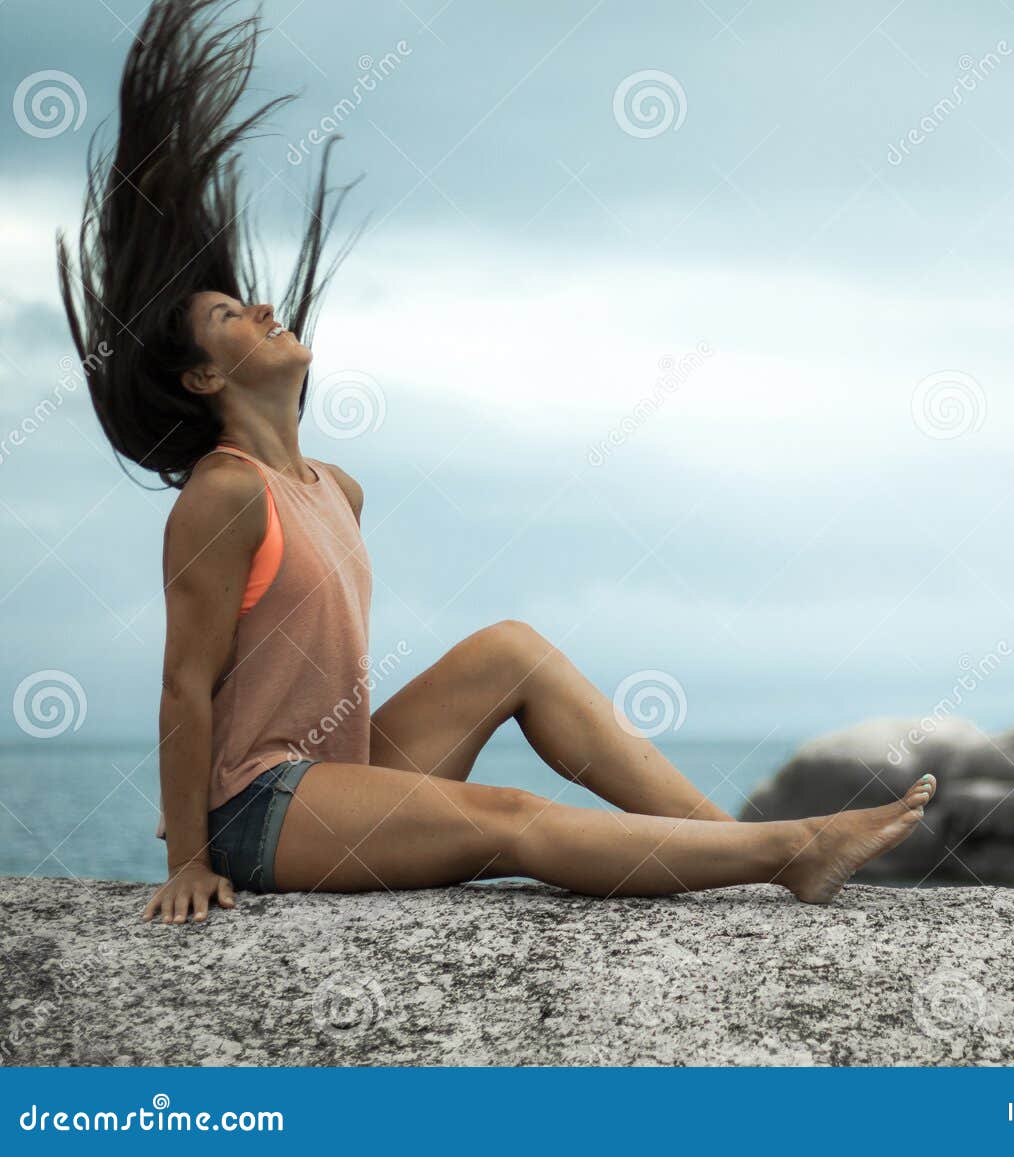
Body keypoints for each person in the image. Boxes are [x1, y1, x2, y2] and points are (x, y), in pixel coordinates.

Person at [57, 0, 936, 925]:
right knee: (507, 818)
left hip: (339, 775)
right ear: (201, 376)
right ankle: (783, 848)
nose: (265, 310)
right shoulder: (225, 494)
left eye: (250, 301)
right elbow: (183, 684)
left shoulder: (332, 490)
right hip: (262, 809)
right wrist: (193, 856)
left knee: (511, 649)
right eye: (232, 318)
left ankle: (730, 847)